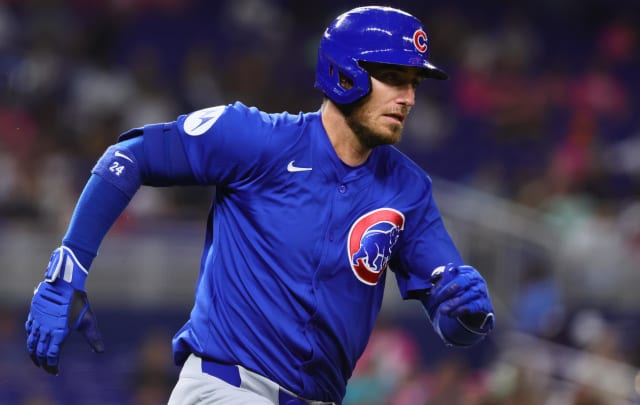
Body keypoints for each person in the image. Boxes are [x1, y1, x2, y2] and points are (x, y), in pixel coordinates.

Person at [25, 6, 495, 405]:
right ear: (345, 72)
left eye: (414, 83)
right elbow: (128, 157)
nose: (409, 97)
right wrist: (66, 269)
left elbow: (451, 315)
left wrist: (466, 315)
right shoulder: (259, 139)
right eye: (393, 78)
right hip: (225, 386)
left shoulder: (408, 188)